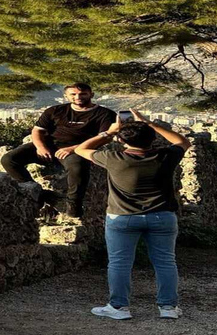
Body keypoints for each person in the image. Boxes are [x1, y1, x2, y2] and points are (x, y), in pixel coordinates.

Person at [75, 109, 190, 320]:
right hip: (162, 216)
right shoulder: (165, 156)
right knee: (165, 262)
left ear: (121, 140)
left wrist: (109, 132)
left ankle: (118, 308)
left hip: (122, 217)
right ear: (153, 139)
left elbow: (82, 149)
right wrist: (151, 123)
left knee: (119, 263)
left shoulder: (113, 158)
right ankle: (168, 308)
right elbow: (183, 142)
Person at [0, 83, 116, 217]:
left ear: (91, 95)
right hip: (50, 145)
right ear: (66, 96)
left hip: (78, 149)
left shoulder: (105, 114)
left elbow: (104, 138)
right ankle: (34, 190)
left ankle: (73, 203)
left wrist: (74, 149)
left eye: (83, 94)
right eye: (73, 94)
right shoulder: (55, 110)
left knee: (77, 167)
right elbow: (37, 131)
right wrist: (41, 147)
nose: (78, 97)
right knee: (9, 159)